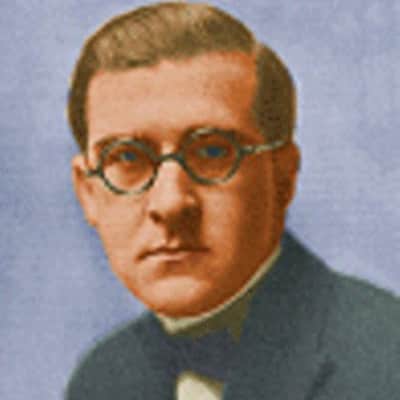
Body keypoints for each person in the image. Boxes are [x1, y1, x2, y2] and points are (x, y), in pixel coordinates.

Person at [65, 2, 399, 399]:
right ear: (88, 192)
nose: (171, 202)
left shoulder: (385, 358)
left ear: (282, 177)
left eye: (211, 151)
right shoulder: (102, 379)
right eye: (127, 158)